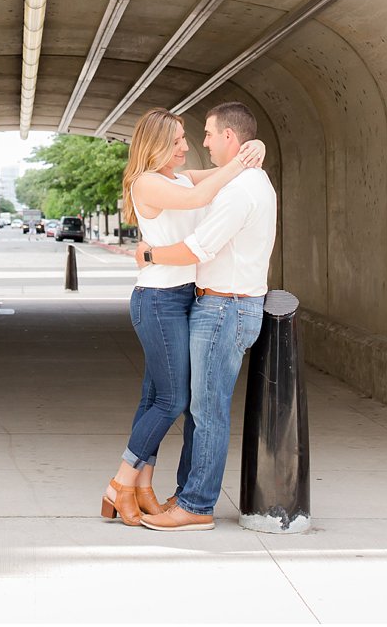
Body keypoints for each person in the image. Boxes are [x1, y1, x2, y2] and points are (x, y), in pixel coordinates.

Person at [101, 108, 265, 526]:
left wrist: (254, 147)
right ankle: (120, 482)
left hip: (182, 297)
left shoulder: (177, 176)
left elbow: (212, 176)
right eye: (176, 140)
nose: (186, 147)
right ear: (155, 144)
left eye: (187, 138)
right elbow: (200, 198)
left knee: (154, 396)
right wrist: (240, 162)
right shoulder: (148, 182)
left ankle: (142, 486)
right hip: (158, 300)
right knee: (173, 399)